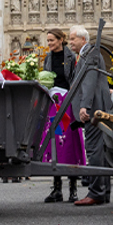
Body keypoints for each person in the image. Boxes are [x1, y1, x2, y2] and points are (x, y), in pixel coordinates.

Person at [40, 28, 85, 203]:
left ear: (61, 40)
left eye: (52, 40)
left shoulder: (71, 58)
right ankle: (57, 188)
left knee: (69, 143)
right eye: (48, 40)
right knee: (55, 142)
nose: (49, 43)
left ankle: (73, 189)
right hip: (53, 103)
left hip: (67, 104)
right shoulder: (48, 58)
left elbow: (74, 81)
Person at [69, 25, 112, 206]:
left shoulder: (90, 54)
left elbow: (90, 81)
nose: (70, 42)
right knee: (100, 150)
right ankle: (103, 192)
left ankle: (96, 192)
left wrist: (84, 106)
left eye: (72, 39)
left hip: (94, 107)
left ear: (83, 40)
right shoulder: (87, 54)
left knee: (94, 149)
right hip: (97, 106)